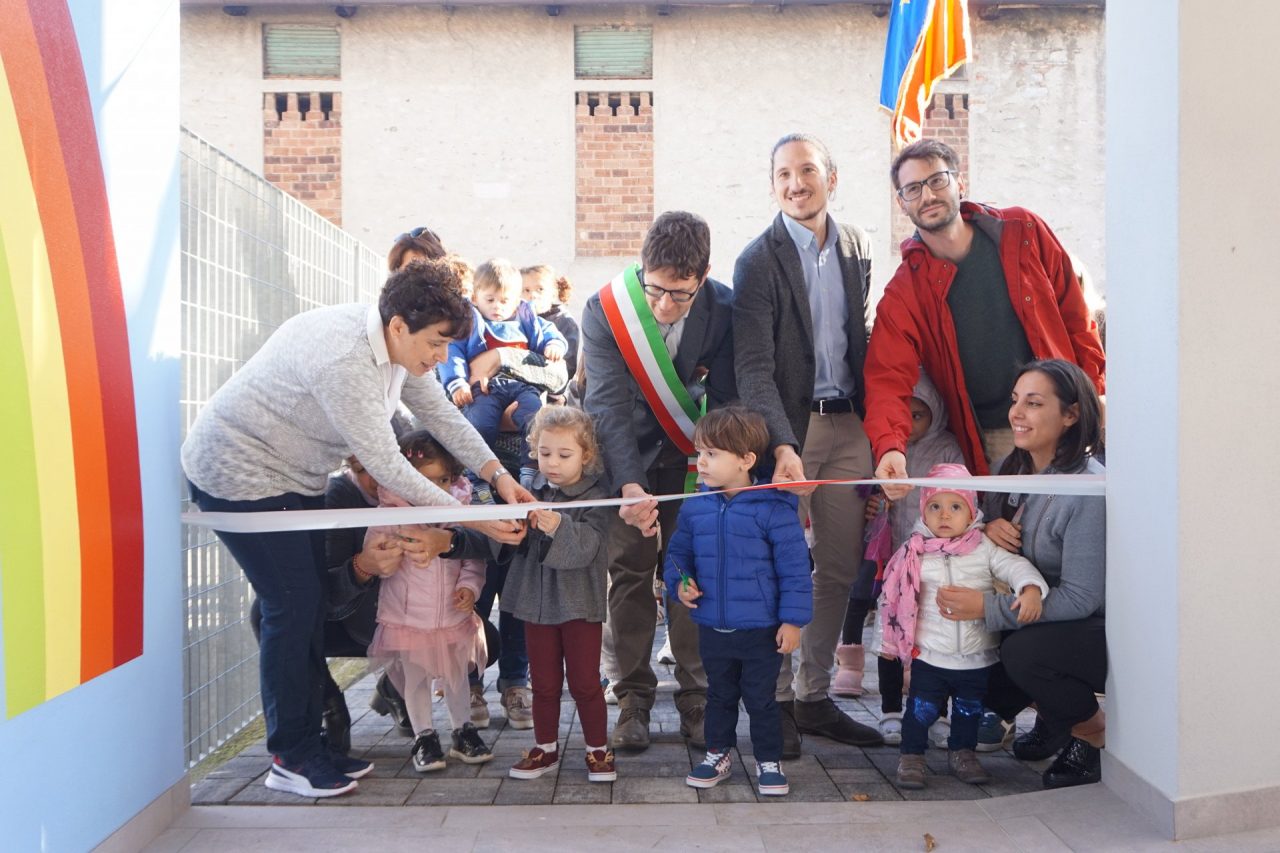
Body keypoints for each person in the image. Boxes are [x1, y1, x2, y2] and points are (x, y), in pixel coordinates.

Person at [181, 259, 529, 798]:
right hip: (238, 474)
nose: (442, 357)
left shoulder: (396, 349)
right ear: (398, 326)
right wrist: (478, 516)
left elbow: (442, 416)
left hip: (293, 476)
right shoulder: (345, 360)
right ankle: (291, 755)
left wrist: (498, 476)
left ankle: (310, 740)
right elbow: (389, 465)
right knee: (291, 605)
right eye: (436, 344)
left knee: (297, 604)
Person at [732, 132, 881, 753]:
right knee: (778, 570)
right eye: (784, 174)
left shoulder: (856, 245)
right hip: (791, 431)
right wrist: (783, 445)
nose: (797, 183)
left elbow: (862, 336)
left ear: (832, 176)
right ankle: (776, 702)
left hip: (850, 424)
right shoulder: (756, 260)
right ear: (772, 185)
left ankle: (815, 697)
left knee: (840, 569)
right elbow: (754, 368)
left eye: (808, 171)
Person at [865, 138, 1105, 489]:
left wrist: (1093, 396)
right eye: (912, 189)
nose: (928, 196)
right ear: (902, 204)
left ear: (959, 183)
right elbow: (886, 377)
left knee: (1069, 527)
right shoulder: (905, 291)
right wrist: (889, 448)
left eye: (937, 180)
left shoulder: (1023, 231)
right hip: (990, 437)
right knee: (1004, 535)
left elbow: (1076, 319)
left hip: (1061, 423)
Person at [582, 210, 737, 752]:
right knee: (627, 574)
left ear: (704, 276)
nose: (665, 306)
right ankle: (632, 699)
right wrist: (627, 485)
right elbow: (606, 405)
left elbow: (725, 398)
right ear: (641, 267)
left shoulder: (724, 308)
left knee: (692, 576)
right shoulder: (606, 309)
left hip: (694, 461)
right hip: (625, 461)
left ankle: (696, 697)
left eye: (680, 294)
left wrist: (721, 468)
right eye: (656, 290)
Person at [935, 359, 1107, 788]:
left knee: (1024, 655)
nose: (1016, 413)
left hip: (1096, 628)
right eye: (1016, 401)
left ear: (1071, 415)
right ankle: (1056, 716)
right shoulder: (1010, 469)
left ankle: (1093, 736)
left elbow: (1082, 598)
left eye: (1033, 403)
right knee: (978, 673)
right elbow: (981, 541)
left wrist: (987, 608)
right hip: (1040, 619)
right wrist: (988, 526)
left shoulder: (1088, 489)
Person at [664, 407, 812, 797]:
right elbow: (678, 555)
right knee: (719, 695)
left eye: (712, 454)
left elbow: (796, 570)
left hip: (762, 631)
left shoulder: (775, 508)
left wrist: (792, 621)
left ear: (746, 460)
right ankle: (718, 754)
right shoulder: (694, 506)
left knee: (762, 700)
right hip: (712, 626)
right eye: (700, 453)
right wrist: (681, 584)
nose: (702, 462)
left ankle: (768, 759)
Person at [879, 464, 1049, 790]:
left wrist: (1029, 588)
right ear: (923, 511)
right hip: (929, 655)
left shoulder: (984, 548)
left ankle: (963, 753)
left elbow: (1014, 565)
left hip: (977, 655)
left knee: (968, 711)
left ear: (971, 510)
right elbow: (892, 601)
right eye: (935, 506)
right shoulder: (914, 553)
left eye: (955, 506)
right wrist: (890, 649)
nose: (945, 515)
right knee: (920, 709)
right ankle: (912, 755)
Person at [837, 371, 965, 746]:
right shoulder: (884, 447)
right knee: (890, 634)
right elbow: (863, 484)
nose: (909, 424)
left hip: (937, 561)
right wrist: (873, 501)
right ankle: (891, 710)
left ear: (936, 414)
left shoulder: (946, 449)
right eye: (903, 414)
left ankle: (936, 713)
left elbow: (962, 494)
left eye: (919, 415)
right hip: (892, 560)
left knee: (936, 637)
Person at [364, 431, 494, 772]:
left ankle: (462, 729)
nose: (437, 488)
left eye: (444, 479)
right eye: (426, 481)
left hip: (452, 616)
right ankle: (424, 735)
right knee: (416, 679)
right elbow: (375, 556)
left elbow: (473, 557)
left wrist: (470, 588)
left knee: (457, 678)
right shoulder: (389, 515)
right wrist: (382, 554)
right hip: (408, 619)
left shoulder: (460, 511)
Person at [499, 407, 616, 782]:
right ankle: (544, 748)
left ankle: (598, 750)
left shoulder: (598, 497)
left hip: (579, 602)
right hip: (536, 602)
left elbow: (589, 547)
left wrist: (558, 526)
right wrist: (513, 525)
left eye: (564, 455)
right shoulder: (530, 492)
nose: (552, 463)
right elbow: (508, 543)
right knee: (543, 683)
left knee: (585, 681)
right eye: (544, 452)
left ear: (586, 455)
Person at [439, 259, 568, 488]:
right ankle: (477, 473)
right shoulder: (468, 325)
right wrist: (457, 383)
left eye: (504, 301)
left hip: (523, 387)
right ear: (476, 297)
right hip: (486, 390)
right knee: (481, 421)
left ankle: (531, 467)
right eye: (490, 300)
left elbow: (552, 340)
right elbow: (454, 353)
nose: (497, 307)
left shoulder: (528, 321)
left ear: (517, 301)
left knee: (534, 418)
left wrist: (554, 345)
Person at [522, 264, 581, 389]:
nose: (532, 295)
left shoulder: (564, 321)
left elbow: (568, 366)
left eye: (540, 289)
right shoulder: (516, 319)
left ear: (553, 293)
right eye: (526, 290)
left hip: (549, 387)